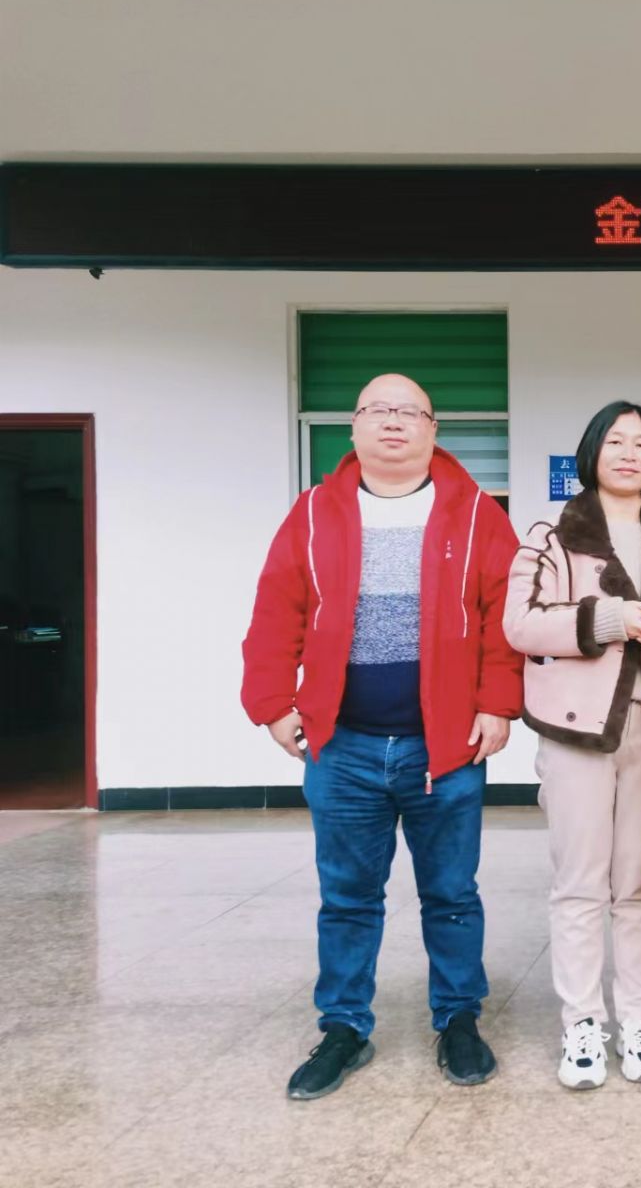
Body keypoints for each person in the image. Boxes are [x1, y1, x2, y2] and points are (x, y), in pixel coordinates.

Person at [241, 373, 523, 1100]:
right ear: (354, 427)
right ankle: (343, 1027)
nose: (393, 422)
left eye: (409, 411)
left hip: (445, 747)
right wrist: (272, 704)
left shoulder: (476, 513)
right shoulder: (313, 512)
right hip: (344, 747)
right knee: (347, 898)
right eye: (378, 410)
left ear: (433, 429)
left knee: (451, 893)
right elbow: (276, 612)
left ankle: (458, 1019)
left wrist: (497, 704)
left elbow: (503, 619)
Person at [503, 401, 641, 1090]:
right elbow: (520, 624)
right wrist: (607, 618)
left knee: (639, 884)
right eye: (616, 441)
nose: (629, 453)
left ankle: (639, 1018)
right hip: (578, 731)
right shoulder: (553, 535)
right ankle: (583, 1024)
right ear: (591, 452)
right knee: (580, 884)